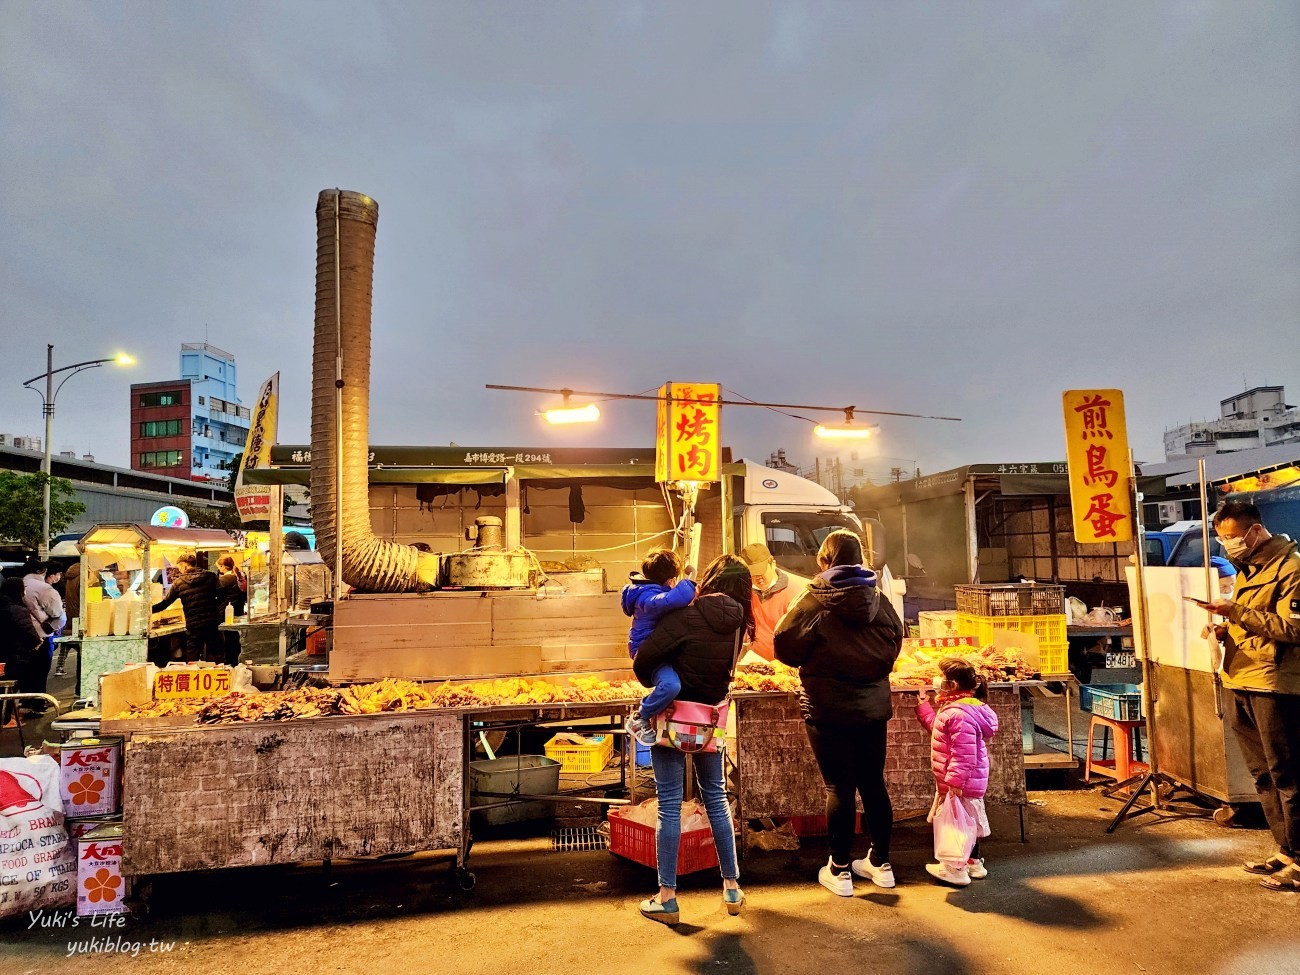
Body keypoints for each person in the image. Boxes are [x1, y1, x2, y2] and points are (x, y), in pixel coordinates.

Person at [774, 529, 904, 896]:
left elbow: (784, 646)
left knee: (840, 787)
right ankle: (881, 863)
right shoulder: (878, 598)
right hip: (873, 707)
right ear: (860, 559)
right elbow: (896, 639)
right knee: (873, 783)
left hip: (828, 708)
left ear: (824, 560)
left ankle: (840, 869)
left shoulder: (814, 599)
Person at [631, 554, 750, 925]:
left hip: (672, 720)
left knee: (669, 805)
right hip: (710, 721)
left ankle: (667, 898)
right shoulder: (740, 627)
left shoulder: (685, 616)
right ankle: (731, 888)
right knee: (716, 800)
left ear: (711, 580)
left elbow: (644, 660)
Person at [1205, 501, 1300, 891]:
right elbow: (1254, 623)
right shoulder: (1251, 569)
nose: (1228, 545)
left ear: (1256, 531)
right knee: (1262, 774)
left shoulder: (1292, 568)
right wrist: (1226, 631)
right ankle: (1284, 849)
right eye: (1222, 538)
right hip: (1240, 677)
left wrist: (1237, 613)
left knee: (1288, 774)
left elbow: (1293, 629)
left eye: (1232, 537)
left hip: (1276, 684)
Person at [916, 657, 998, 887]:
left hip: (960, 780)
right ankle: (973, 862)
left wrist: (954, 782)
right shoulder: (960, 707)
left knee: (955, 823)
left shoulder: (959, 713)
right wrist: (924, 707)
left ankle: (955, 870)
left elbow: (964, 753)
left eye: (941, 677)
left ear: (952, 684)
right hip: (967, 779)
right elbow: (939, 729)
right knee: (967, 821)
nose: (937, 680)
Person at [621, 549, 696, 746]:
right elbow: (675, 599)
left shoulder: (648, 591)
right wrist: (689, 581)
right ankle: (640, 717)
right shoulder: (649, 598)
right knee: (671, 685)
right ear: (671, 579)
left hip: (659, 650)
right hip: (649, 654)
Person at [152, 552, 225, 663]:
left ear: (184, 565)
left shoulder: (179, 582)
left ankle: (194, 677)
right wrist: (212, 608)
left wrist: (149, 610)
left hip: (193, 625)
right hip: (211, 622)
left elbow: (165, 603)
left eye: (179, 567)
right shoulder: (211, 576)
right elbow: (221, 596)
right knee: (216, 655)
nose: (179, 570)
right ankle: (219, 677)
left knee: (193, 658)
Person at [738, 542, 802, 660]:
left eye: (761, 571)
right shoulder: (744, 592)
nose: (758, 577)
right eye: (752, 573)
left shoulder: (793, 593)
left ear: (773, 563)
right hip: (752, 662)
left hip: (784, 664)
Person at [21, 561, 65, 708]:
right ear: (41, 571)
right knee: (40, 669)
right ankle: (38, 703)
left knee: (27, 671)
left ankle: (26, 702)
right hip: (40, 635)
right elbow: (56, 611)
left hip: (21, 634)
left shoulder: (19, 584)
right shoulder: (43, 588)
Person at [1, 577, 45, 706]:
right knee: (12, 686)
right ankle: (7, 718)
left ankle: (8, 715)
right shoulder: (18, 610)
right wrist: (37, 641)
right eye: (23, 589)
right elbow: (27, 631)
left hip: (4, 653)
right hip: (16, 654)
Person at [216, 555, 248, 666]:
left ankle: (229, 664)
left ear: (223, 566)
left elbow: (215, 595)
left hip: (225, 614)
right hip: (238, 612)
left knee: (227, 641)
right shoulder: (239, 577)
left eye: (219, 567)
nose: (219, 570)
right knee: (234, 639)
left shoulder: (224, 579)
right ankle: (235, 663)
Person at [53, 562, 80, 678]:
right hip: (79, 612)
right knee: (79, 644)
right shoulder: (81, 577)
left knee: (66, 642)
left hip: (69, 611)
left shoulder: (69, 577)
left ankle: (59, 666)